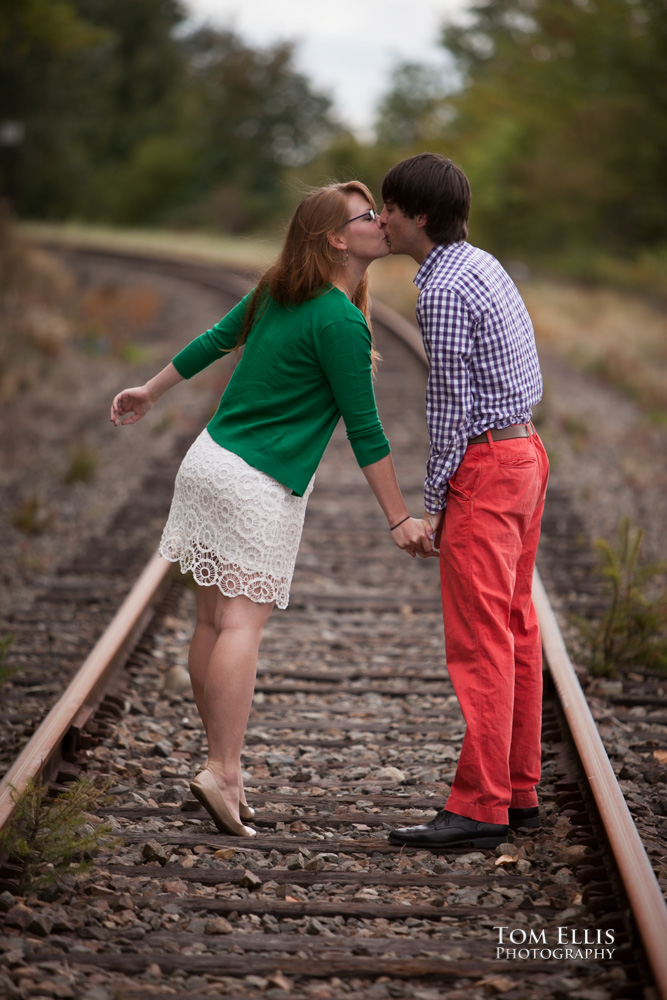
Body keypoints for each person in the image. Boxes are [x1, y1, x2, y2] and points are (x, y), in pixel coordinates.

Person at [110, 181, 432, 838]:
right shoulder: (340, 319)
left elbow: (211, 340)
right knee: (241, 628)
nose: (379, 222)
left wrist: (149, 388)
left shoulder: (277, 290)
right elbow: (364, 428)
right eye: (366, 216)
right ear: (337, 238)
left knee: (210, 622)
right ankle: (223, 769)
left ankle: (220, 766)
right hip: (255, 481)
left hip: (207, 463)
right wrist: (399, 517)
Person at [379, 153, 549, 850]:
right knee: (513, 628)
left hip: (484, 465)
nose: (381, 218)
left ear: (418, 216)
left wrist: (434, 504)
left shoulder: (442, 291)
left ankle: (479, 806)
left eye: (389, 207)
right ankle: (516, 789)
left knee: (480, 642)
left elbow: (448, 404)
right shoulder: (481, 264)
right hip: (524, 454)